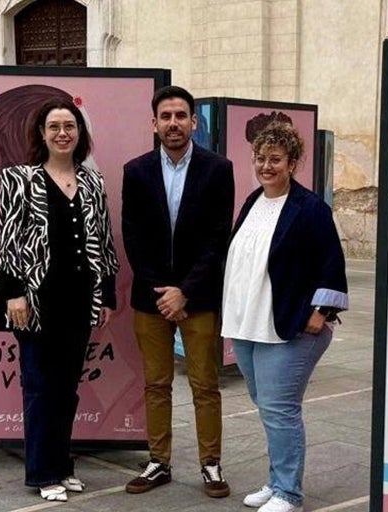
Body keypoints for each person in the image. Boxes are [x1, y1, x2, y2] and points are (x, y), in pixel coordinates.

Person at [0, 98, 120, 502]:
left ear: (80, 134)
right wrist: (14, 292)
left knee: (67, 390)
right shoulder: (20, 178)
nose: (62, 133)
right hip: (35, 301)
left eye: (69, 126)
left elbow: (104, 241)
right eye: (54, 126)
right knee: (39, 388)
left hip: (81, 299)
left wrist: (108, 296)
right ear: (41, 134)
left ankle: (63, 466)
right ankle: (42, 473)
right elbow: (7, 240)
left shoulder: (93, 182)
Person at [221, 121, 348, 512]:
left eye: (275, 159)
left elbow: (332, 263)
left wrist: (320, 312)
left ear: (292, 163)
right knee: (267, 405)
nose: (266, 166)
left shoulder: (310, 209)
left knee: (280, 408)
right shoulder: (253, 201)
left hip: (290, 325)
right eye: (260, 158)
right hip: (248, 323)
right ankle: (276, 482)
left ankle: (289, 493)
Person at [121, 85, 234, 498]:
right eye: (165, 116)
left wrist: (184, 291)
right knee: (156, 384)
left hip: (198, 298)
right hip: (151, 300)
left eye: (181, 115)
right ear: (154, 124)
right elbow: (132, 237)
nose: (173, 123)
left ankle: (211, 464)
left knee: (205, 384)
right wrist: (162, 293)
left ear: (194, 122)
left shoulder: (218, 169)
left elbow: (218, 238)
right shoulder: (135, 171)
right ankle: (158, 462)